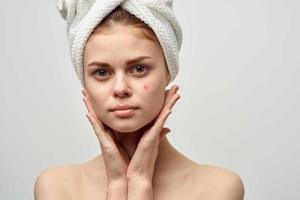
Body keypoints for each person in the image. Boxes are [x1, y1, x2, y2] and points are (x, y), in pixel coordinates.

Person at [34, 3, 244, 200]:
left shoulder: (218, 189)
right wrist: (117, 185)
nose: (120, 89)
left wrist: (141, 183)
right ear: (85, 83)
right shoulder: (57, 188)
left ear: (168, 72)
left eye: (139, 69)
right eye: (101, 72)